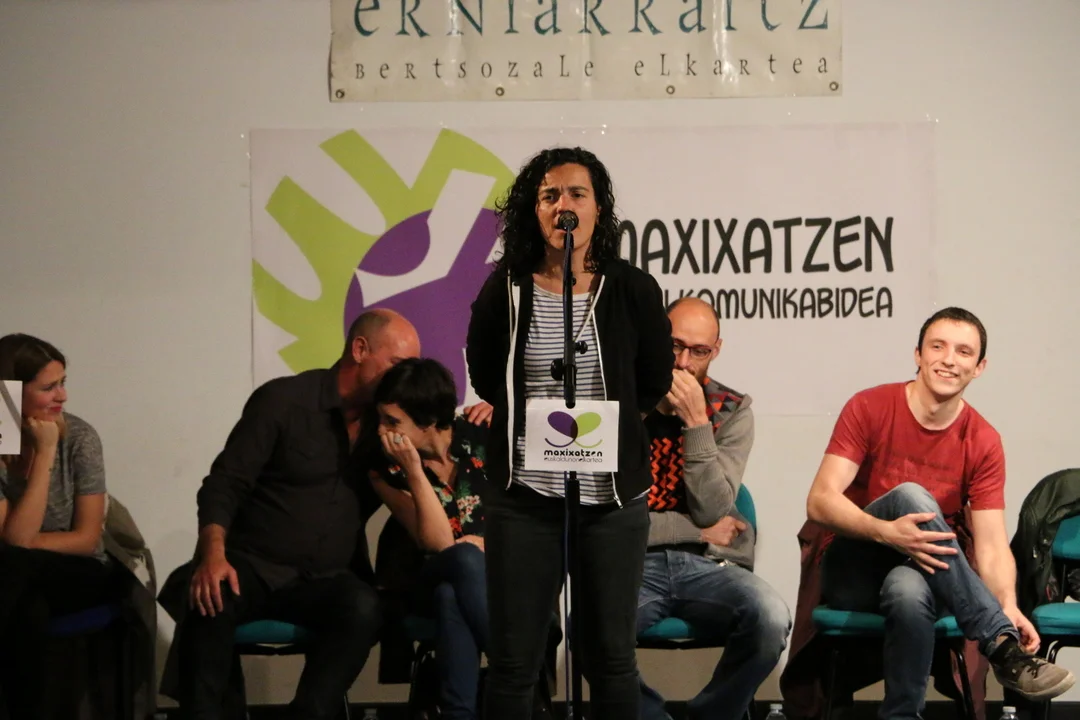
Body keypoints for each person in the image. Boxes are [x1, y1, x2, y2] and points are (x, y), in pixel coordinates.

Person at [466, 146, 674, 720]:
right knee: (514, 660)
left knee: (610, 657)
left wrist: (604, 430)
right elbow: (486, 373)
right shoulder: (505, 289)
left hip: (610, 500)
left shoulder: (632, 288)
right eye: (550, 195)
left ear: (598, 208)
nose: (564, 205)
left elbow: (653, 380)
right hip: (524, 496)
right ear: (534, 211)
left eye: (577, 193)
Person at [795, 307, 1074, 719]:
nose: (949, 359)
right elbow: (820, 500)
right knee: (912, 496)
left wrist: (1008, 602)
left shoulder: (982, 439)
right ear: (918, 354)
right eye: (938, 347)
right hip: (854, 567)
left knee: (908, 588)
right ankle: (999, 642)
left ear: (979, 367)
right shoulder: (870, 406)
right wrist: (886, 531)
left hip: (928, 572)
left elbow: (992, 544)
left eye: (964, 352)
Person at [170, 309, 420, 720]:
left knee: (364, 607)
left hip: (326, 579)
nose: (405, 377)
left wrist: (484, 413)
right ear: (360, 350)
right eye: (397, 363)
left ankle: (308, 713)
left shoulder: (388, 426)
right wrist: (213, 554)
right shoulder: (284, 401)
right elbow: (224, 483)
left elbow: (441, 439)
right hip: (253, 567)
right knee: (209, 597)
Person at [636, 297, 790, 720]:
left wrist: (696, 423)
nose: (684, 363)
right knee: (589, 627)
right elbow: (612, 520)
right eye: (674, 346)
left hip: (710, 565)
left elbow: (712, 509)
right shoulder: (621, 405)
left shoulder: (732, 411)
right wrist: (696, 531)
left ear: (716, 350)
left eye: (699, 351)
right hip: (634, 564)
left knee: (770, 617)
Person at [0, 333, 121, 720]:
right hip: (19, 580)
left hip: (80, 571)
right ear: (10, 393)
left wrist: (48, 450)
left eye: (63, 383)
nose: (63, 396)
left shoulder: (80, 438)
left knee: (13, 566)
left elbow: (85, 539)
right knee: (29, 611)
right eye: (48, 387)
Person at [368, 357, 491, 720]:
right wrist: (414, 472)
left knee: (450, 596)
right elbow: (438, 545)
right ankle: (516, 667)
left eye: (392, 422)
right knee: (462, 561)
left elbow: (526, 518)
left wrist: (489, 547)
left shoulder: (484, 437)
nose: (381, 430)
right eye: (380, 418)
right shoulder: (385, 468)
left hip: (497, 579)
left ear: (428, 421)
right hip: (425, 577)